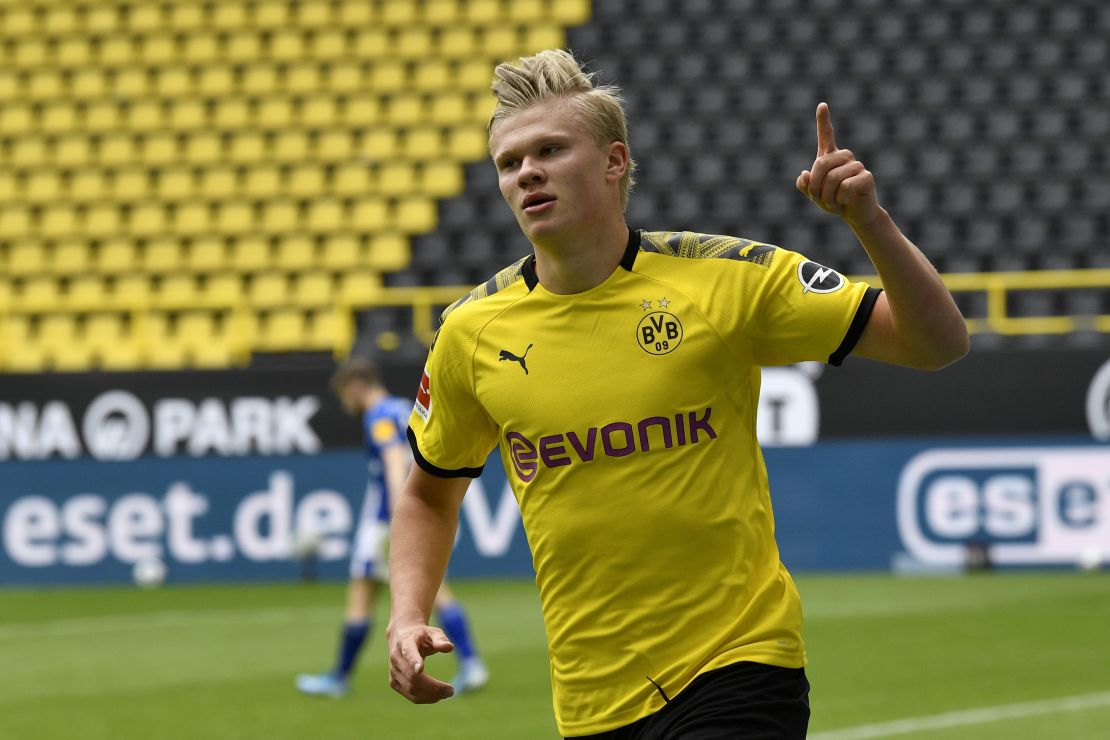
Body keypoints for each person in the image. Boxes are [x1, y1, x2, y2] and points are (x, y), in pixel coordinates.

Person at [387, 49, 968, 738]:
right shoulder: (470, 333)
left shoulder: (725, 278)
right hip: (591, 700)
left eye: (549, 149)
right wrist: (406, 613)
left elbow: (936, 343)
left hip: (740, 663)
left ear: (614, 161)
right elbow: (428, 492)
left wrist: (869, 222)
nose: (527, 173)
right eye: (509, 163)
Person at [295, 357, 488, 698]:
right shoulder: (404, 407)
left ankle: (339, 678)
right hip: (408, 518)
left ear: (356, 387)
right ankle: (471, 663)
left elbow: (393, 460)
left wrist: (401, 515)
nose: (345, 404)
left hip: (387, 522)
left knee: (368, 595)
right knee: (429, 587)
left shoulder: (378, 415)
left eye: (344, 395)